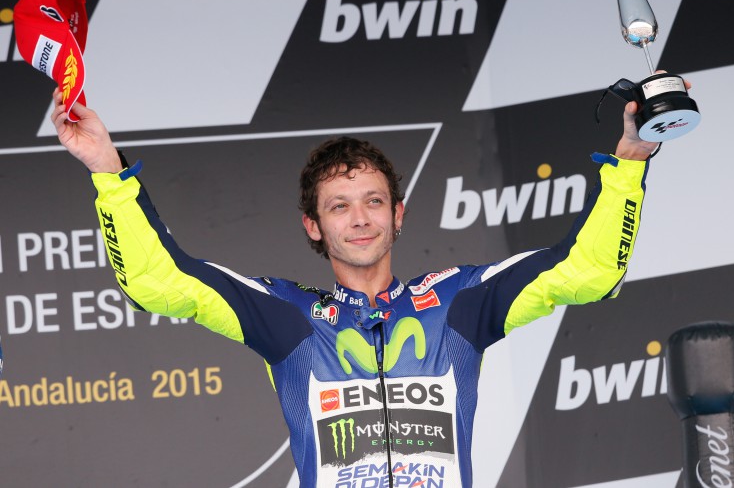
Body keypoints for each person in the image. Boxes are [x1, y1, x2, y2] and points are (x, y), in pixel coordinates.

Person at [50, 84, 668, 488]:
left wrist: (631, 163)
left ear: (398, 215)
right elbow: (159, 281)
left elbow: (589, 270)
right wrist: (107, 168)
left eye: (374, 201)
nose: (360, 218)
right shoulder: (286, 314)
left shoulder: (459, 301)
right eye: (339, 206)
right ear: (313, 226)